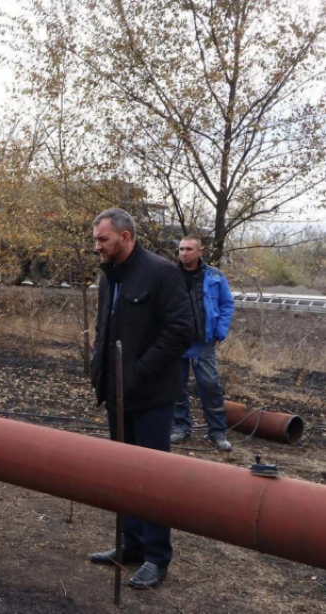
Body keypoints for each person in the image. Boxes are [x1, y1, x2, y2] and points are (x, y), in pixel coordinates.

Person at [88, 208, 193, 589]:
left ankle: (156, 556)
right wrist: (100, 373)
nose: (96, 246)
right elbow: (105, 328)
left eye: (103, 239)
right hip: (116, 395)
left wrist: (140, 370)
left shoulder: (161, 273)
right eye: (96, 239)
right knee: (122, 474)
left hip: (150, 396)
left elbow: (182, 330)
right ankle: (129, 544)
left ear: (126, 237)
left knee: (151, 477)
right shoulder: (109, 276)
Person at [172, 235, 235, 451]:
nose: (184, 253)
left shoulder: (214, 276)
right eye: (181, 249)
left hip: (204, 341)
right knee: (176, 386)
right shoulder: (169, 275)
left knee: (210, 386)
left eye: (189, 249)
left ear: (200, 251)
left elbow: (227, 304)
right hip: (175, 341)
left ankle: (217, 433)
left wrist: (220, 330)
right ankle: (181, 428)